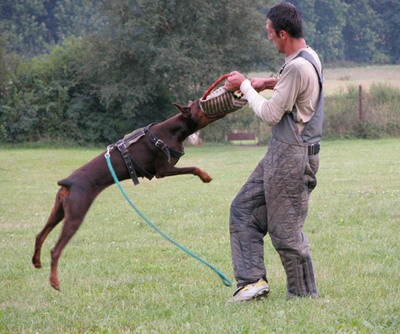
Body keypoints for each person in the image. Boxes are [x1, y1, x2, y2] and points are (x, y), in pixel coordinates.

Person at [224, 1, 324, 302]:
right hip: (280, 153)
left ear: (283, 33)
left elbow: (269, 114)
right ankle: (252, 283)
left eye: (269, 33)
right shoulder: (308, 57)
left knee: (285, 231)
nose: (268, 37)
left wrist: (245, 86)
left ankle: (305, 295)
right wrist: (268, 82)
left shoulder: (296, 65)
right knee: (243, 210)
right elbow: (297, 88)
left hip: (293, 156)